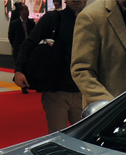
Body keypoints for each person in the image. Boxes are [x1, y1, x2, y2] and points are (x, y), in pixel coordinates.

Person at [14, 0, 84, 133]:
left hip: (82, 91)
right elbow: (29, 43)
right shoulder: (54, 18)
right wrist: (19, 70)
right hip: (57, 91)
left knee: (87, 136)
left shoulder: (91, 21)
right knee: (58, 136)